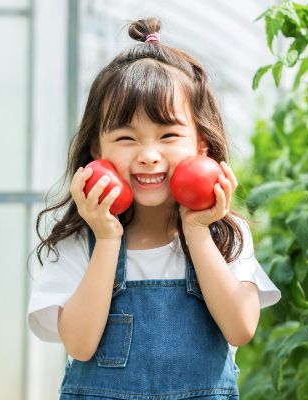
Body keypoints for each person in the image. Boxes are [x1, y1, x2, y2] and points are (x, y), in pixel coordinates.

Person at [27, 17, 281, 399]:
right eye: (126, 138)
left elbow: (241, 327)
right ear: (97, 151)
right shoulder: (81, 239)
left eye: (169, 136)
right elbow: (79, 345)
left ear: (202, 145)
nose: (148, 155)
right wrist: (108, 238)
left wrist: (196, 232)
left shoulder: (225, 235)